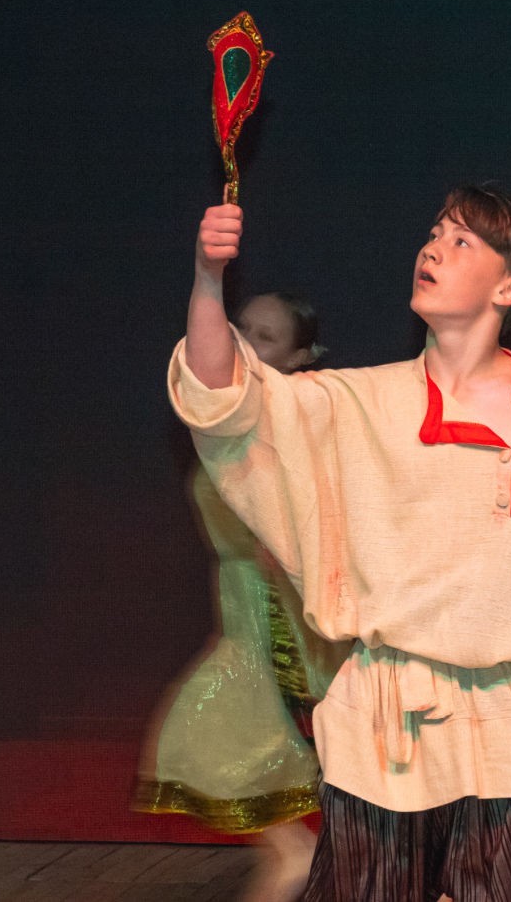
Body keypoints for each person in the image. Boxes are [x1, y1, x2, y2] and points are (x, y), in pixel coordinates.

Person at [168, 185, 511, 901]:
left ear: (508, 287)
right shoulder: (360, 401)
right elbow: (225, 398)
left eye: (461, 240)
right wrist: (207, 276)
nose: (433, 248)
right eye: (435, 233)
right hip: (390, 735)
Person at [140, 292, 347, 902]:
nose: (247, 344)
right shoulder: (223, 418)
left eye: (267, 337)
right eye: (243, 329)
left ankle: (306, 853)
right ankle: (292, 849)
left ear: (299, 358)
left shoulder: (295, 422)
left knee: (217, 723)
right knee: (218, 728)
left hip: (289, 615)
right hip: (245, 609)